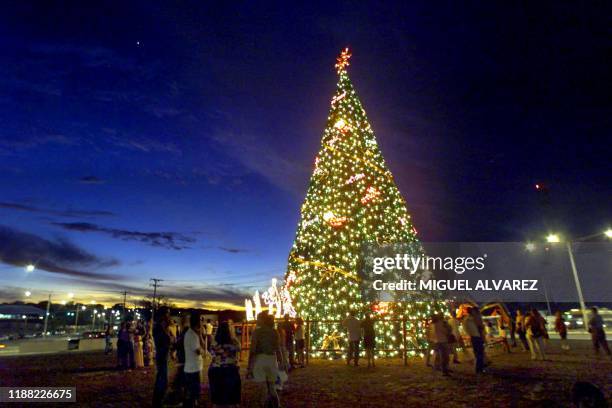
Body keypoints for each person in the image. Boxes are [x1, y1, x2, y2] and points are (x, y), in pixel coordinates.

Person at [247, 312, 284, 408]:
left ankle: (263, 405)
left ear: (262, 320)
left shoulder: (257, 332)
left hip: (261, 359)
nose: (257, 320)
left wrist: (249, 366)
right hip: (272, 359)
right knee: (272, 387)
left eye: (258, 318)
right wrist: (281, 361)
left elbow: (253, 350)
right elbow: (278, 348)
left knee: (262, 387)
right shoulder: (274, 332)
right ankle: (277, 405)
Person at [209, 321, 241, 407]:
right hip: (230, 370)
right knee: (231, 397)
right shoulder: (234, 342)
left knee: (218, 397)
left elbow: (212, 354)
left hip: (216, 370)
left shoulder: (214, 343)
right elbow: (238, 352)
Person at [153, 307, 173, 407]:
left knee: (161, 379)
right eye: (167, 313)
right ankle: (158, 401)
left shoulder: (162, 327)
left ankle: (158, 400)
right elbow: (165, 340)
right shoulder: (158, 327)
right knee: (162, 380)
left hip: (164, 355)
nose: (169, 316)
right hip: (161, 355)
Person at [183, 313, 203, 408]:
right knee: (193, 392)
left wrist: (200, 335)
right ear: (197, 322)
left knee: (191, 391)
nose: (202, 323)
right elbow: (198, 351)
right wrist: (204, 352)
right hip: (193, 368)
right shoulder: (192, 335)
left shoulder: (192, 333)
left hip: (191, 367)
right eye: (201, 321)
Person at [462, 307, 485, 374]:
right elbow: (478, 327)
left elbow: (480, 327)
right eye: (473, 311)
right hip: (475, 337)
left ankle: (480, 368)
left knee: (479, 353)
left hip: (476, 336)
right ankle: (479, 369)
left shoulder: (470, 319)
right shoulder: (469, 319)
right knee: (479, 353)